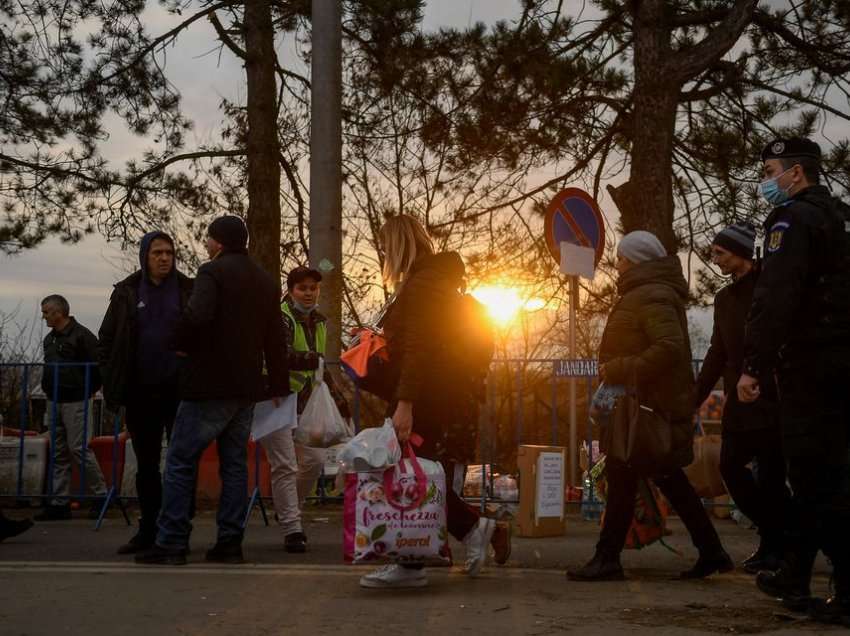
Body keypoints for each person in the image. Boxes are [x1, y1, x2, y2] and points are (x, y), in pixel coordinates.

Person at [568, 231, 732, 582]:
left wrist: (620, 368)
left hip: (644, 408)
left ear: (637, 260)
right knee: (665, 478)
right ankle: (711, 551)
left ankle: (607, 558)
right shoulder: (647, 292)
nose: (618, 263)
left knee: (625, 474)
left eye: (623, 258)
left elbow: (669, 346)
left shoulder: (651, 294)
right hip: (644, 405)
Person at [358, 214, 509, 589]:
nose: (383, 255)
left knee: (412, 477)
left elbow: (419, 349)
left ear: (397, 246)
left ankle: (415, 562)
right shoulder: (436, 282)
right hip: (443, 394)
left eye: (385, 247)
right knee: (422, 476)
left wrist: (405, 401)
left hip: (428, 396)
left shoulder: (422, 286)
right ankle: (468, 535)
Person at [738, 137, 850, 625]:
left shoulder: (792, 220)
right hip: (843, 363)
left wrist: (754, 366)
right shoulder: (843, 217)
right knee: (826, 474)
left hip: (811, 363)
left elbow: (776, 297)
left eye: (770, 170)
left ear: (796, 174)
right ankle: (795, 574)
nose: (767, 180)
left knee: (813, 476)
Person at [135, 215, 289, 566]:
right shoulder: (264, 280)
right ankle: (229, 542)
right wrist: (278, 382)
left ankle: (172, 541)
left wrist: (178, 342)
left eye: (208, 240)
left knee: (179, 459)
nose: (206, 245)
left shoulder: (212, 272)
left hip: (209, 385)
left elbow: (197, 315)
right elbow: (274, 336)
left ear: (217, 242)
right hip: (247, 387)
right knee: (234, 464)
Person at [695, 223, 789, 573]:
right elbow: (717, 351)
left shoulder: (768, 289)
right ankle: (780, 533)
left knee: (772, 475)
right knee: (730, 467)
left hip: (769, 396)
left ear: (741, 253)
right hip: (739, 399)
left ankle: (775, 546)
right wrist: (697, 394)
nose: (714, 258)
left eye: (720, 252)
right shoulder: (724, 298)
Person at [98, 231, 194, 554]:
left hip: (180, 393)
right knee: (147, 465)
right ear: (145, 256)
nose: (165, 258)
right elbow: (106, 340)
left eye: (169, 252)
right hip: (140, 392)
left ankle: (179, 529)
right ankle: (148, 529)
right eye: (157, 253)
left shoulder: (187, 289)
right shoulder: (126, 292)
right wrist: (112, 379)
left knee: (181, 464)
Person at [260, 266, 350, 553]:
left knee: (312, 460)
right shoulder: (279, 317)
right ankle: (292, 528)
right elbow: (283, 356)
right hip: (273, 398)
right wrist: (315, 360)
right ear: (290, 290)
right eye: (302, 288)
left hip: (303, 401)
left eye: (313, 288)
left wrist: (339, 400)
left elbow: (319, 369)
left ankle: (288, 509)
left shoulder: (319, 322)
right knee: (284, 464)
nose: (309, 293)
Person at [37, 295, 107, 521]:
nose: (44, 316)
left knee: (78, 448)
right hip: (54, 398)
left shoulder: (82, 336)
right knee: (58, 452)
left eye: (46, 311)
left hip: (76, 399)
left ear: (59, 312)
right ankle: (59, 502)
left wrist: (87, 390)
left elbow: (98, 366)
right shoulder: (50, 339)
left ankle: (100, 496)